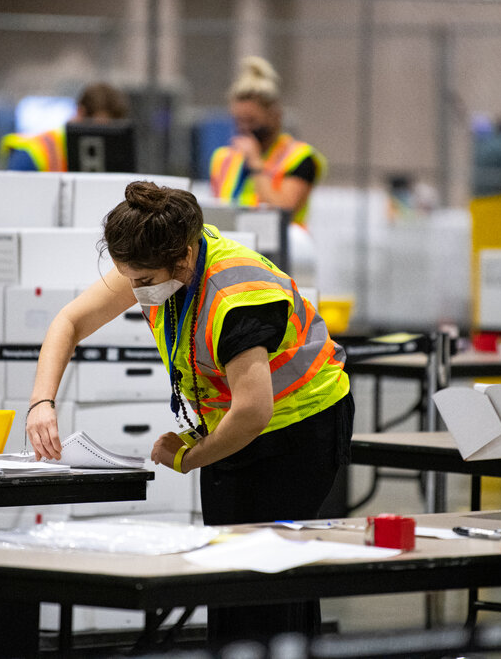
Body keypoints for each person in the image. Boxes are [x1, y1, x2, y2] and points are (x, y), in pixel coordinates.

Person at [25, 180, 354, 644]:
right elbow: (70, 321)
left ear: (182, 258)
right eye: (129, 279)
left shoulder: (237, 296)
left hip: (301, 428)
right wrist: (42, 402)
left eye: (143, 282)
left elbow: (254, 412)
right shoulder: (159, 258)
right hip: (236, 422)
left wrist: (192, 455)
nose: (135, 293)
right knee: (227, 564)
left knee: (270, 571)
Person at [209, 56, 326, 227]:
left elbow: (284, 212)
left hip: (283, 249)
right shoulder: (223, 158)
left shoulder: (300, 157)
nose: (245, 128)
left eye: (251, 120)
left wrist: (256, 164)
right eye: (239, 120)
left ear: (275, 116)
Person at [0, 82, 130, 171]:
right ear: (80, 113)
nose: (105, 140)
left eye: (113, 134)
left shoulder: (115, 158)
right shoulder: (31, 154)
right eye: (99, 129)